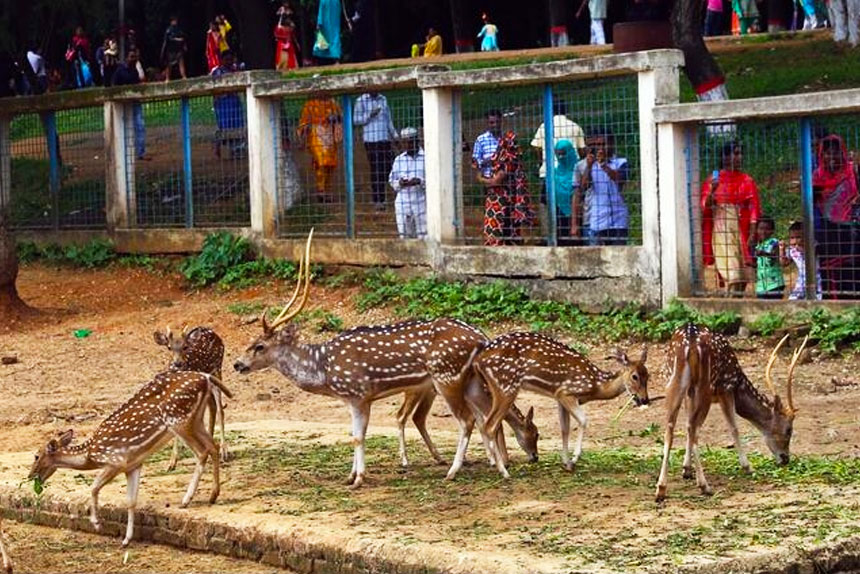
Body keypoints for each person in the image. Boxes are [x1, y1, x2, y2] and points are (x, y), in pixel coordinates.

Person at [701, 141, 761, 295]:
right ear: (724, 157)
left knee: (743, 275)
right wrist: (713, 190)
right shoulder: (713, 180)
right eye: (734, 153)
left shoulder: (747, 180)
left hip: (742, 229)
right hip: (722, 231)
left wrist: (753, 232)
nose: (738, 157)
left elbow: (754, 207)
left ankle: (734, 302)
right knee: (732, 271)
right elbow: (705, 207)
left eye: (740, 153)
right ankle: (730, 303)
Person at [812, 134, 859, 297]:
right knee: (830, 270)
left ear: (842, 152)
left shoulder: (852, 170)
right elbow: (812, 206)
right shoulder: (818, 176)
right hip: (828, 229)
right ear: (822, 155)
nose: (832, 156)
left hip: (852, 227)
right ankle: (833, 304)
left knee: (853, 266)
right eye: (828, 152)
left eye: (836, 152)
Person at [530, 100, 586, 224]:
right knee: (571, 206)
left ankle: (549, 236)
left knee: (547, 204)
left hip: (549, 173)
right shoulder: (574, 126)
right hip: (571, 174)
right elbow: (582, 151)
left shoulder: (544, 126)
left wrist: (542, 161)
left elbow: (536, 146)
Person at [480, 131, 535, 245]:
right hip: (510, 200)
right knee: (510, 231)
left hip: (499, 202)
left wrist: (482, 179)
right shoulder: (509, 159)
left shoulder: (507, 160)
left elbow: (495, 181)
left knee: (496, 232)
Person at [579, 130, 629, 246]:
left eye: (603, 144)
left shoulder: (621, 162)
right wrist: (589, 167)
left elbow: (619, 178)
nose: (600, 148)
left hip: (618, 219)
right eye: (598, 145)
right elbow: (584, 186)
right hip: (598, 220)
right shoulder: (590, 165)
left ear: (611, 144)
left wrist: (603, 165)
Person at [354, 92, 399, 211]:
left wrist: (395, 136)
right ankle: (378, 200)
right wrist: (369, 115)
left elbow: (388, 119)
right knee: (376, 169)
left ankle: (389, 193)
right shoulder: (361, 100)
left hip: (384, 138)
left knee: (389, 166)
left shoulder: (383, 98)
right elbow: (356, 120)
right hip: (371, 140)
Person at [298, 97, 343, 203]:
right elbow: (303, 122)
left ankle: (326, 191)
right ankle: (321, 191)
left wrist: (334, 118)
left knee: (330, 165)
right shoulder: (310, 103)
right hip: (316, 136)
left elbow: (340, 117)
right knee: (320, 163)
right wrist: (304, 133)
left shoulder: (333, 102)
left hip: (330, 137)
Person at [388, 127, 427, 238]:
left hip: (421, 199)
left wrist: (420, 181)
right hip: (403, 200)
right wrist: (400, 183)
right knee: (404, 234)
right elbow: (392, 180)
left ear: (416, 141)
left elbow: (433, 181)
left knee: (423, 234)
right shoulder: (399, 159)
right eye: (404, 142)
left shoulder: (426, 158)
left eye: (409, 142)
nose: (407, 145)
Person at [112, 49, 149, 161]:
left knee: (140, 125)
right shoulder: (120, 70)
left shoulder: (135, 71)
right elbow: (114, 85)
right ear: (127, 58)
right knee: (123, 127)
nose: (134, 59)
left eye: (135, 57)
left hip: (134, 101)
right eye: (132, 56)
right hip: (123, 103)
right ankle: (121, 152)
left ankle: (140, 152)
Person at [211, 51, 246, 159]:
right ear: (222, 60)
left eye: (231, 59)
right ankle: (217, 147)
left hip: (234, 101)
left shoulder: (236, 70)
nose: (229, 62)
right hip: (223, 103)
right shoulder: (217, 72)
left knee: (236, 125)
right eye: (227, 60)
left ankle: (235, 150)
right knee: (223, 126)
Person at [781, 221, 822, 299]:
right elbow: (784, 263)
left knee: (817, 298)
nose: (795, 240)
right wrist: (782, 250)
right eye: (792, 238)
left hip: (816, 279)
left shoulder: (812, 245)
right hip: (801, 280)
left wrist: (802, 247)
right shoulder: (792, 250)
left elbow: (813, 252)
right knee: (793, 300)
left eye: (799, 237)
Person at [753, 215, 785, 299]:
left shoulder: (774, 243)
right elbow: (760, 264)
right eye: (761, 229)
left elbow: (775, 256)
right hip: (761, 285)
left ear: (772, 231)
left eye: (767, 229)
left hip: (774, 283)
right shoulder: (758, 245)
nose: (763, 232)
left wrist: (764, 253)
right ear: (757, 230)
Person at [553, 140, 578, 245]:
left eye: (564, 153)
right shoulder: (554, 174)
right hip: (558, 216)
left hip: (578, 214)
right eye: (558, 154)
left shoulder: (579, 169)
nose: (561, 157)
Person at [472, 109, 502, 181]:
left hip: (506, 181)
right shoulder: (481, 139)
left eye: (497, 122)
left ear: (501, 121)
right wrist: (492, 159)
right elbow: (475, 163)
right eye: (492, 122)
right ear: (487, 123)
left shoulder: (507, 139)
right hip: (488, 180)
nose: (495, 125)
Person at [161, 16, 187, 82]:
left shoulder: (179, 29)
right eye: (174, 20)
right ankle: (167, 78)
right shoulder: (169, 30)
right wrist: (177, 39)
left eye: (176, 20)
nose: (175, 22)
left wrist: (184, 45)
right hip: (170, 50)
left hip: (178, 49)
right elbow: (168, 39)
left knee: (181, 63)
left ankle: (183, 76)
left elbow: (183, 37)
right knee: (169, 65)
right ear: (171, 21)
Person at [275, 3, 300, 70]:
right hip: (283, 44)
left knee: (290, 58)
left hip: (287, 44)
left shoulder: (289, 27)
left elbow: (293, 34)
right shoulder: (280, 27)